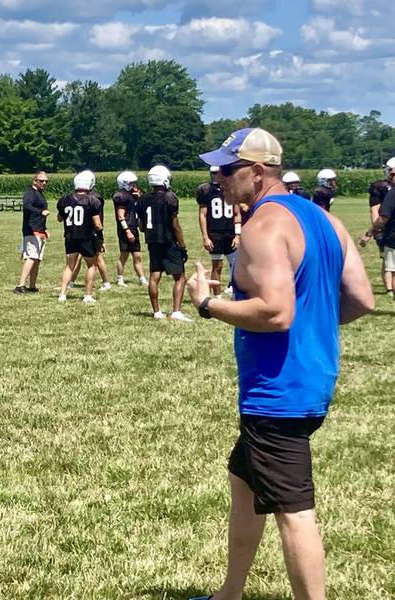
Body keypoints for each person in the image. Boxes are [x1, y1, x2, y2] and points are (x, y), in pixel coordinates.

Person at [188, 128, 374, 600]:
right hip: (311, 379)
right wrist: (314, 329)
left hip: (278, 391)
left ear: (256, 172)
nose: (219, 180)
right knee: (243, 479)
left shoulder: (262, 227)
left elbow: (275, 311)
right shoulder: (323, 220)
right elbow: (361, 300)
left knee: (293, 510)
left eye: (227, 171)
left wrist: (209, 305)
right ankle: (229, 593)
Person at [137, 165, 190, 321]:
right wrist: (182, 245)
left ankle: (156, 312)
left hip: (152, 240)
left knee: (154, 276)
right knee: (180, 277)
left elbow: (141, 227)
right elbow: (175, 224)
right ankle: (176, 311)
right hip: (168, 240)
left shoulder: (143, 199)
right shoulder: (170, 197)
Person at [57, 170, 103, 304]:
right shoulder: (92, 201)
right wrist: (100, 235)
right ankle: (88, 295)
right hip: (86, 237)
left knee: (69, 266)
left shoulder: (65, 199)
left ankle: (62, 294)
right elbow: (97, 224)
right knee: (91, 265)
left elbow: (60, 218)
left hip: (70, 236)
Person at [196, 166, 241, 297]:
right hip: (214, 233)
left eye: (218, 173)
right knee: (217, 266)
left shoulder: (232, 189)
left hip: (230, 232)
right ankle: (217, 296)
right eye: (214, 173)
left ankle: (234, 289)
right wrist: (205, 237)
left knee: (236, 265)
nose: (216, 176)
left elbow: (237, 214)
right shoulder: (207, 191)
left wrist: (237, 235)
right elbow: (202, 215)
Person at [360, 161, 395, 300]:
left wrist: (370, 233)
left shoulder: (392, 193)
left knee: (392, 270)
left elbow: (382, 217)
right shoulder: (385, 189)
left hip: (393, 237)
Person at [14, 171, 50, 294]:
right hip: (31, 230)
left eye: (46, 181)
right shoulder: (30, 193)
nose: (44, 183)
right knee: (31, 257)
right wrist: (41, 212)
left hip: (39, 230)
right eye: (41, 181)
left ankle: (32, 285)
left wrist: (44, 228)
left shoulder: (39, 193)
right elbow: (26, 205)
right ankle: (20, 285)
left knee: (37, 259)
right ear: (34, 181)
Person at [113, 171, 148, 287]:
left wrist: (139, 198)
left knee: (137, 255)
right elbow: (120, 216)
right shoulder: (121, 196)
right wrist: (127, 231)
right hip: (126, 228)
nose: (134, 186)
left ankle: (142, 279)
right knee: (124, 254)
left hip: (133, 227)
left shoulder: (132, 196)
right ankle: (120, 279)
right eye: (132, 183)